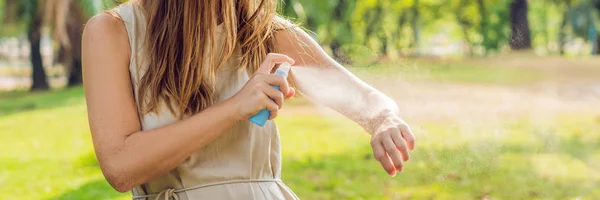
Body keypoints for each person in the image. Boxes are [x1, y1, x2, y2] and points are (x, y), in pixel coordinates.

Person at [82, 0, 416, 199]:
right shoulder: (113, 32)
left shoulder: (265, 33)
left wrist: (382, 120)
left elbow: (364, 97)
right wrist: (234, 108)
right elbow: (120, 168)